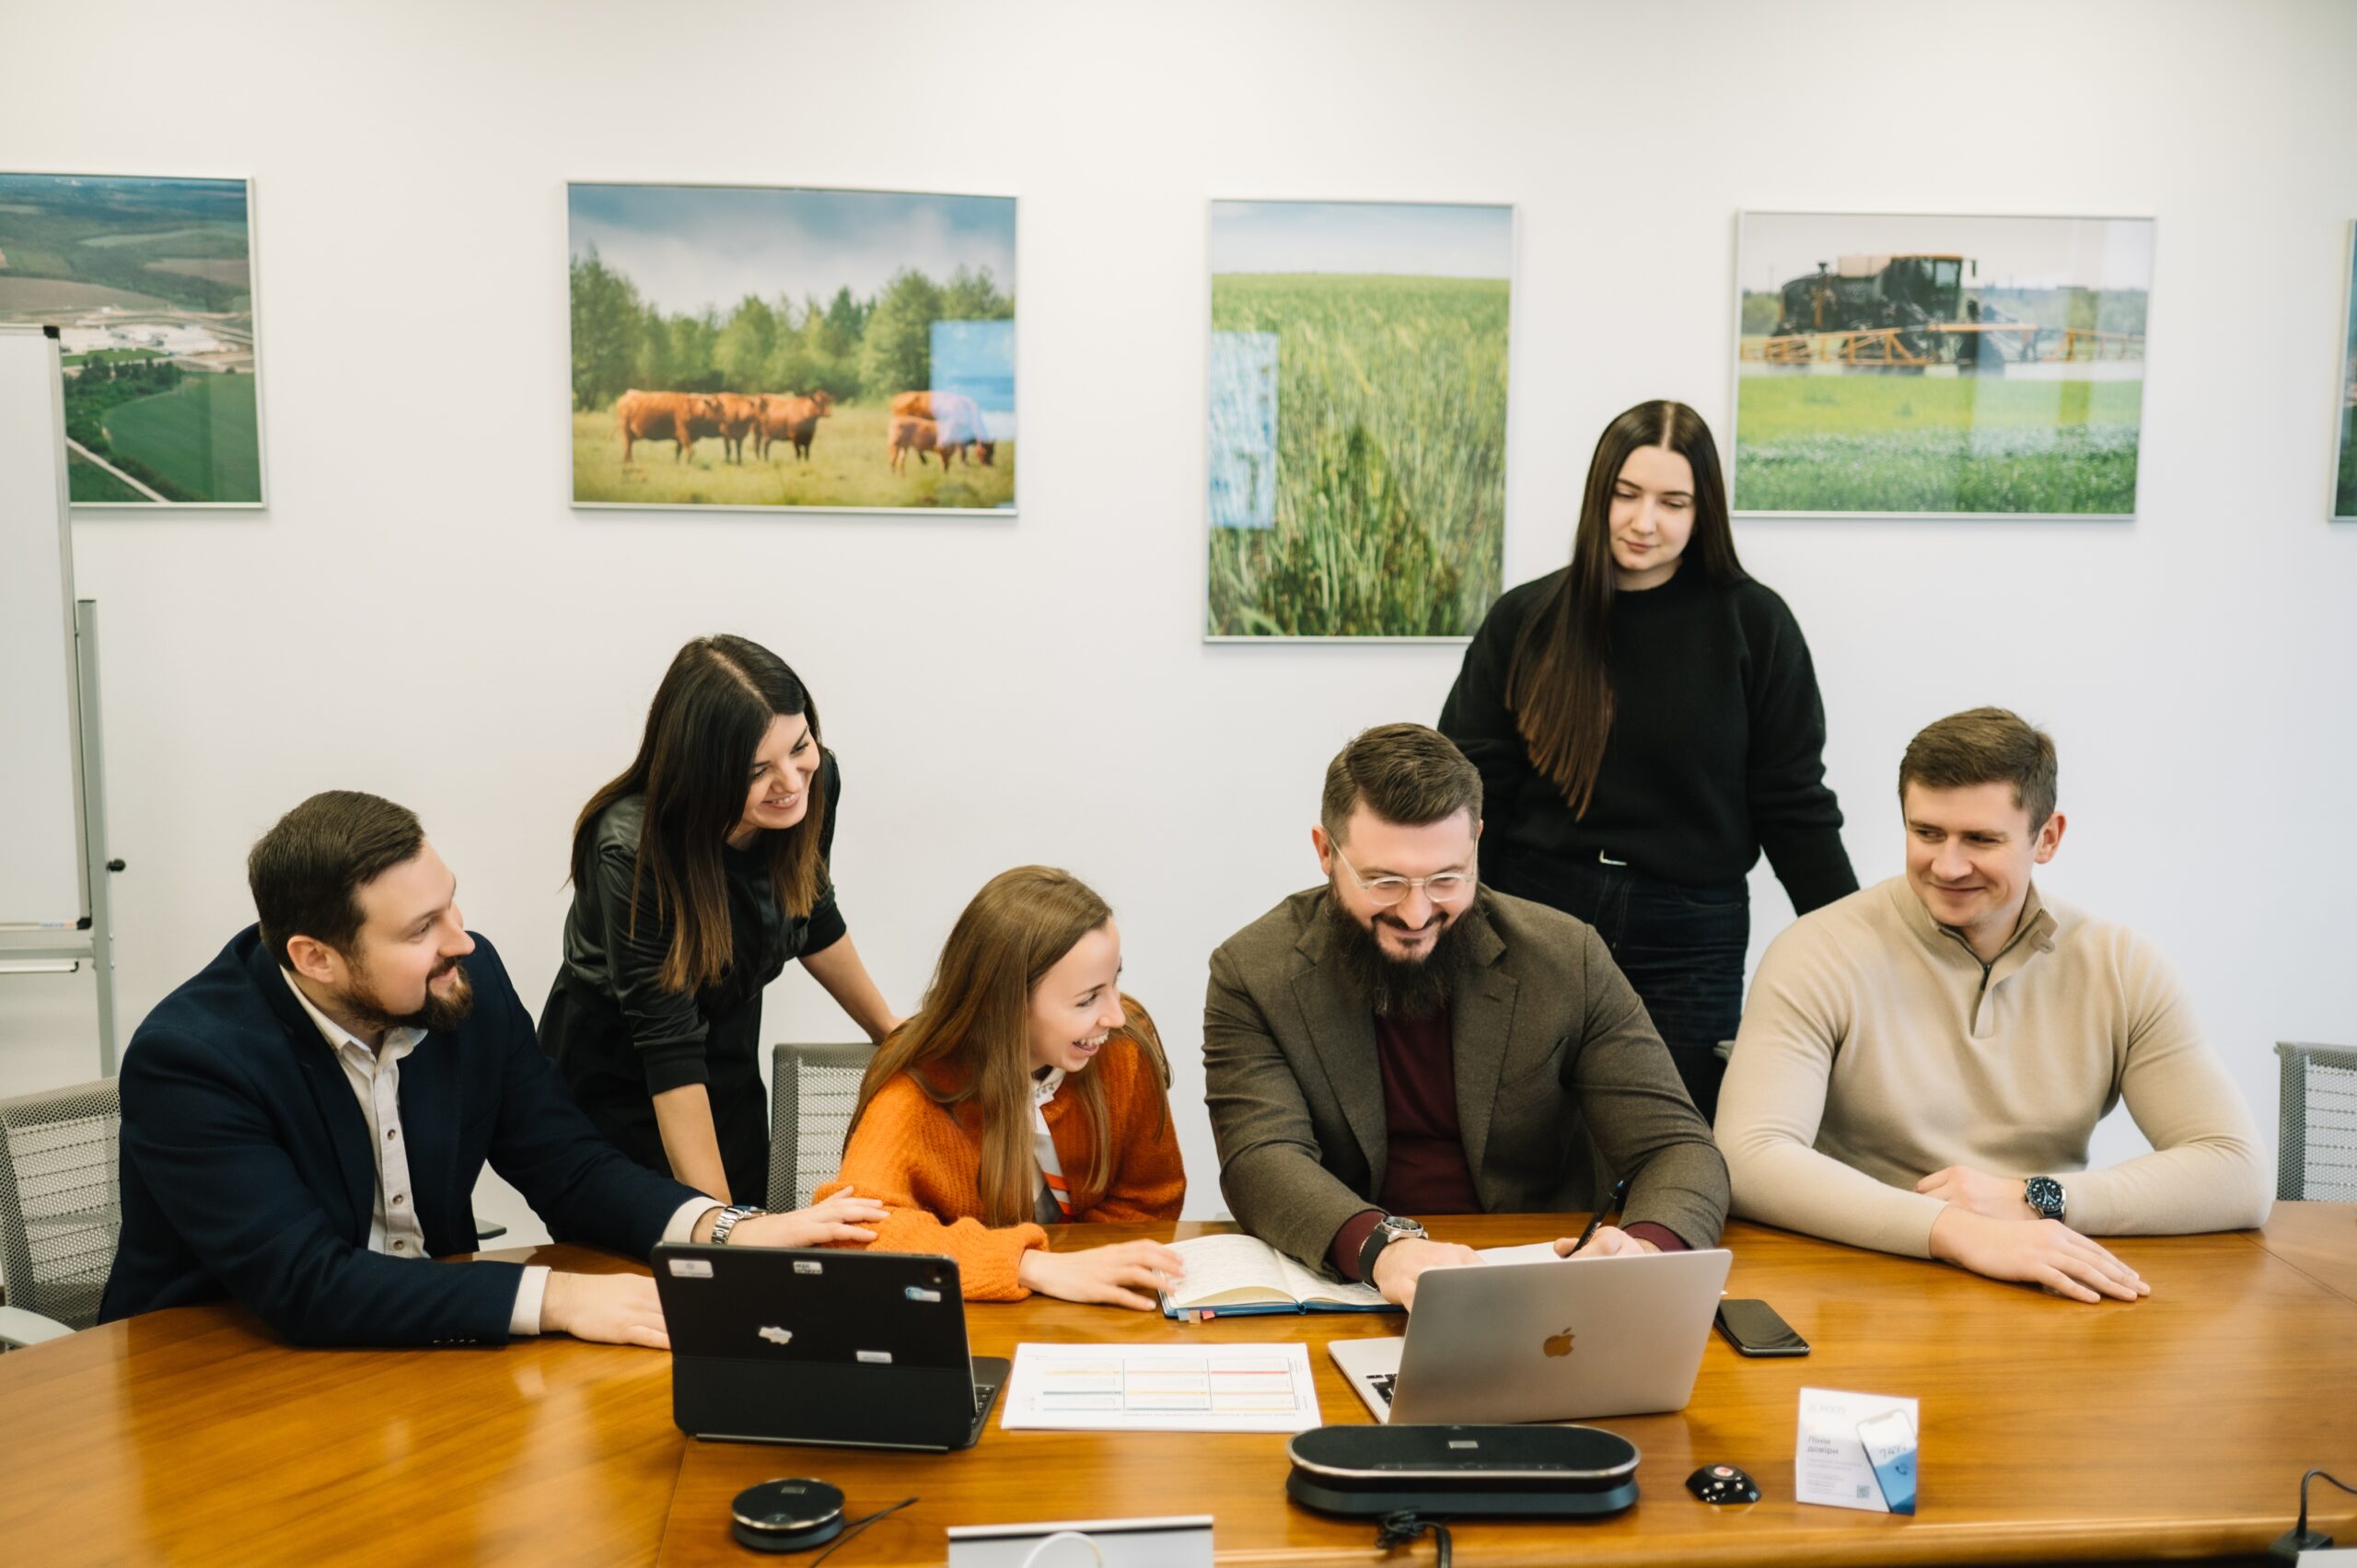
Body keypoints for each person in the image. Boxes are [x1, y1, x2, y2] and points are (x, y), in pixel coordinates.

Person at [100, 791, 888, 1348]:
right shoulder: (193, 1061)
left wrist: (727, 1230)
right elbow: (309, 1284)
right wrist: (563, 1297)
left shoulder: (464, 990)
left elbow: (569, 1168)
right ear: (316, 958)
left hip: (420, 1351)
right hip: (219, 1379)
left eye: (452, 904)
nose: (460, 940)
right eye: (420, 929)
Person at [1715, 708, 2272, 1303]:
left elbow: (2235, 1170)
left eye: (1981, 839)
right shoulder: (1816, 951)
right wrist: (1956, 1231)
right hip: (1855, 1279)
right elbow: (1750, 1157)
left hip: (2043, 1277)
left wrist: (2033, 1197)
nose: (1948, 865)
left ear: (2048, 836)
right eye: (1926, 832)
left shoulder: (2121, 965)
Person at [1203, 723, 1729, 1310]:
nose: (1417, 912)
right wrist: (1386, 1249)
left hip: (1544, 1288)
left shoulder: (1565, 957)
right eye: (1385, 881)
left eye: (1446, 879)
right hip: (1356, 1281)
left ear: (1477, 842)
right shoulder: (1253, 971)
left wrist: (1646, 1253)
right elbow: (1260, 1157)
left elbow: (1678, 1147)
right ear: (1326, 852)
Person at [1438, 399, 1855, 1122]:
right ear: (1599, 495)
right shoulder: (1527, 619)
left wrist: (1861, 950)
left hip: (1692, 932)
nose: (1643, 521)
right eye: (1626, 495)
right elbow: (1469, 796)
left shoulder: (1755, 625)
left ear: (1705, 511)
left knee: (1672, 1138)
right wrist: (1455, 925)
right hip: (1540, 914)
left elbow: (1794, 804)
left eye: (1673, 501)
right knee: (1525, 1134)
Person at [540, 635, 900, 1205]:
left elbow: (811, 907)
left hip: (727, 1058)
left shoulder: (813, 782)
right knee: (683, 1257)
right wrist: (720, 1241)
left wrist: (893, 1037)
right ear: (702, 773)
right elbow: (668, 1046)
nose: (790, 780)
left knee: (749, 1224)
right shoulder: (635, 853)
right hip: (621, 1082)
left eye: (799, 745)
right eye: (757, 769)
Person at [818, 866, 1188, 1307]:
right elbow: (851, 1235)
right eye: (1088, 999)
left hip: (1090, 1310)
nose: (1116, 1016)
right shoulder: (915, 1083)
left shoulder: (1124, 1049)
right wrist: (1029, 1266)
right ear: (1007, 1005)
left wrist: (1080, 1266)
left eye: (1114, 983)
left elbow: (1151, 1199)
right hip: (976, 1318)